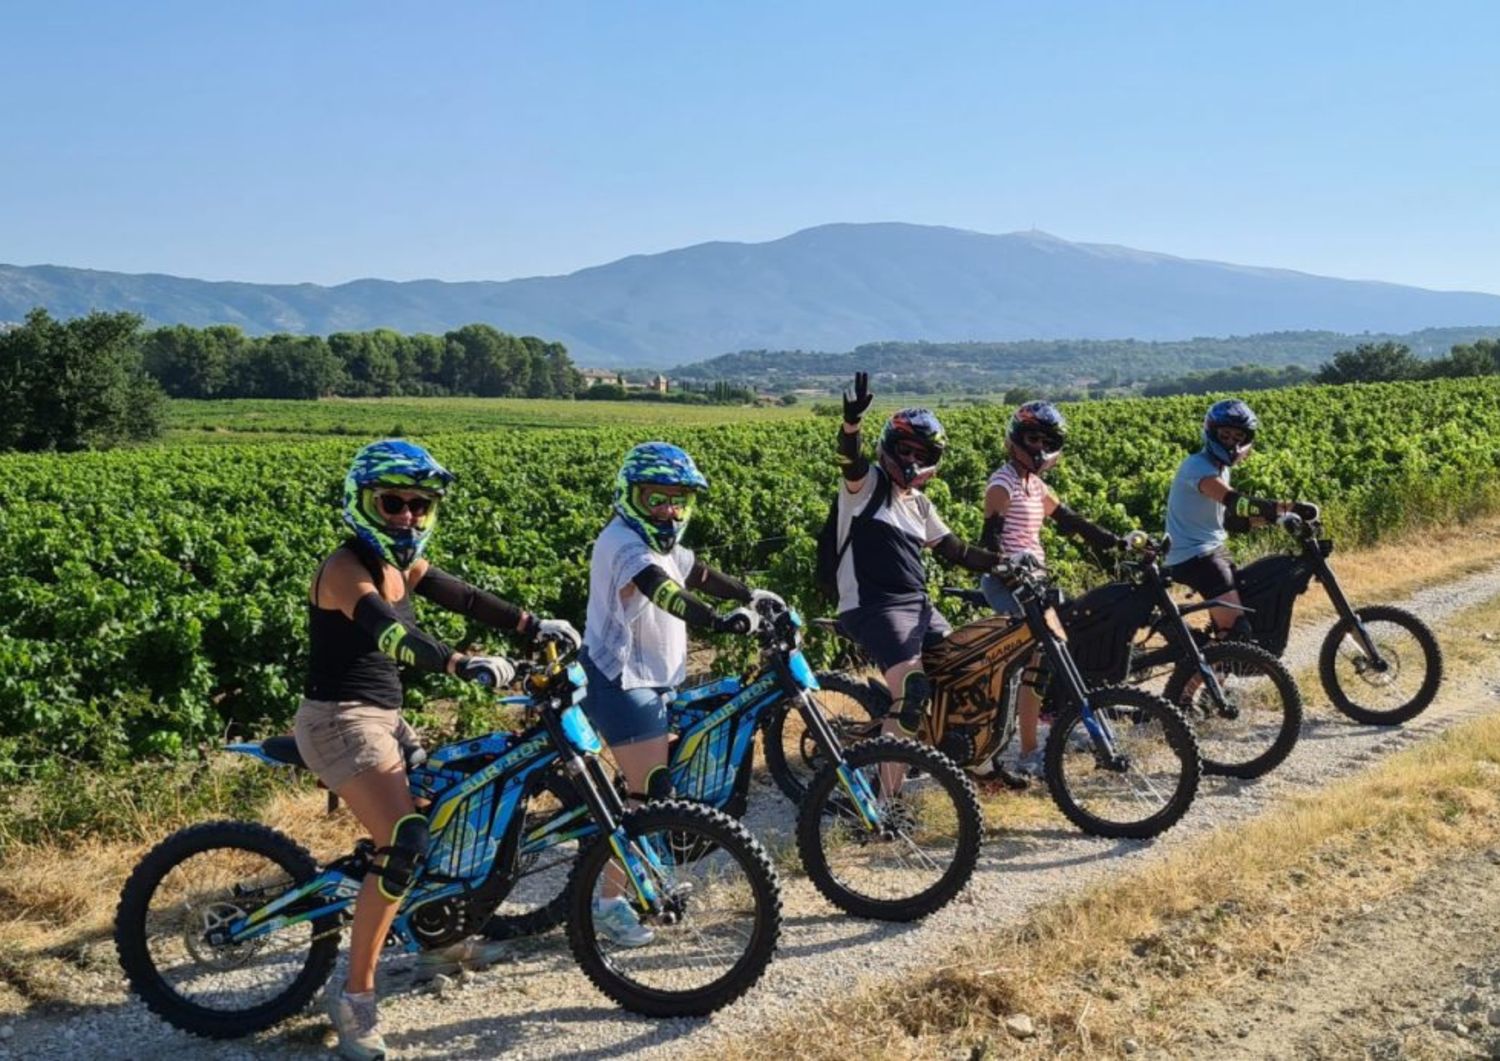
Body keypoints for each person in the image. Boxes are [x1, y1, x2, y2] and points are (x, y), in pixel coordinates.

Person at [296, 439, 580, 1061]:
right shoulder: (347, 568)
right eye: (392, 502)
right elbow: (392, 632)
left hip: (385, 718)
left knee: (452, 810)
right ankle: (355, 998)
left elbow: (468, 598)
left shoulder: (405, 565)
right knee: (405, 842)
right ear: (363, 503)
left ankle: (434, 939)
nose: (407, 515)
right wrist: (459, 662)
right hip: (340, 721)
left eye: (419, 505)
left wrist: (534, 626)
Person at [578, 441, 777, 945]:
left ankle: (643, 876)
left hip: (653, 680)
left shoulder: (663, 545)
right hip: (623, 681)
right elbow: (661, 589)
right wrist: (718, 620)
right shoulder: (623, 543)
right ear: (631, 497)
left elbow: (696, 573)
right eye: (656, 499)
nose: (669, 511)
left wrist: (749, 594)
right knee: (646, 797)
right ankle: (608, 903)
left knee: (651, 790)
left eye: (677, 501)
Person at [833, 372, 1003, 742]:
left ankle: (955, 759)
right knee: (912, 691)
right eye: (905, 450)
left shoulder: (921, 505)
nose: (911, 459)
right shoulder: (866, 488)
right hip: (876, 607)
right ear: (889, 448)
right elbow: (850, 460)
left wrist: (1005, 563)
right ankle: (884, 797)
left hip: (920, 606)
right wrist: (851, 424)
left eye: (920, 455)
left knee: (964, 671)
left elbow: (956, 550)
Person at [978, 401, 1124, 779]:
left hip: (1034, 582)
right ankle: (1028, 753)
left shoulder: (1036, 484)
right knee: (1036, 661)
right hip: (1006, 584)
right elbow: (989, 544)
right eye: (1032, 438)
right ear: (1015, 441)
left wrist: (1119, 543)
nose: (1039, 447)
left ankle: (1060, 728)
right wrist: (1008, 566)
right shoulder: (1002, 484)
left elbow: (1072, 521)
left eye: (1046, 440)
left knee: (1060, 655)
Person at [1164, 399, 1317, 637]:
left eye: (1238, 438)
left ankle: (1210, 662)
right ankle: (1201, 671)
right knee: (1236, 634)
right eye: (1225, 436)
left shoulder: (1221, 468)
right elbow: (1237, 503)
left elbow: (1229, 520)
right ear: (1211, 433)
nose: (1232, 443)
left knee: (1248, 609)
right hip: (1194, 556)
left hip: (1212, 551)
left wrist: (1275, 520)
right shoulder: (1198, 467)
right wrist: (1291, 507)